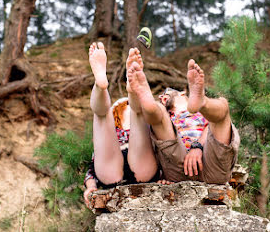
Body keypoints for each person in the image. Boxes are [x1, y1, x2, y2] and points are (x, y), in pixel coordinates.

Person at [127, 51, 240, 184]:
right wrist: (161, 176)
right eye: (161, 97)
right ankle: (147, 102)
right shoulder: (167, 117)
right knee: (158, 115)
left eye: (167, 93)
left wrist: (197, 146)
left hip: (212, 165)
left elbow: (213, 130)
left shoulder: (204, 114)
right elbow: (157, 149)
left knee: (222, 108)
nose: (162, 97)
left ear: (182, 94)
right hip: (178, 169)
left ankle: (203, 102)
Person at [83, 43, 159, 208]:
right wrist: (91, 187)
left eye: (127, 105)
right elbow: (93, 165)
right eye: (123, 107)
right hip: (118, 166)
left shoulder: (143, 128)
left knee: (137, 116)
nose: (124, 107)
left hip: (136, 163)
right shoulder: (112, 131)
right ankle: (100, 85)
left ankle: (133, 91)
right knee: (103, 116)